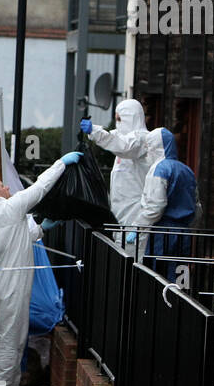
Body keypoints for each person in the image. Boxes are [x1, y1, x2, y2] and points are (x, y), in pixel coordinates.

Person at [0, 150, 83, 386]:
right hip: (11, 285)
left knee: (7, 337)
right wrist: (61, 162)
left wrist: (41, 229)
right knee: (10, 339)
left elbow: (19, 239)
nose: (8, 188)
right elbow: (41, 187)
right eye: (4, 186)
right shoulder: (9, 208)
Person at [132, 128, 198, 281]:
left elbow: (155, 206)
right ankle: (179, 305)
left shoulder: (159, 169)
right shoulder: (187, 170)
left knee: (157, 278)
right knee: (180, 278)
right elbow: (197, 206)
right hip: (184, 232)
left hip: (162, 231)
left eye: (149, 146)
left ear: (156, 146)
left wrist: (138, 226)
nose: (147, 151)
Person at [79, 98, 154, 228]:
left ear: (131, 118)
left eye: (120, 119)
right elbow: (112, 138)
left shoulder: (142, 139)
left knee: (132, 246)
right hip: (120, 209)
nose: (117, 124)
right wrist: (95, 133)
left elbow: (123, 145)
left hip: (135, 209)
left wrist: (95, 132)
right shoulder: (122, 138)